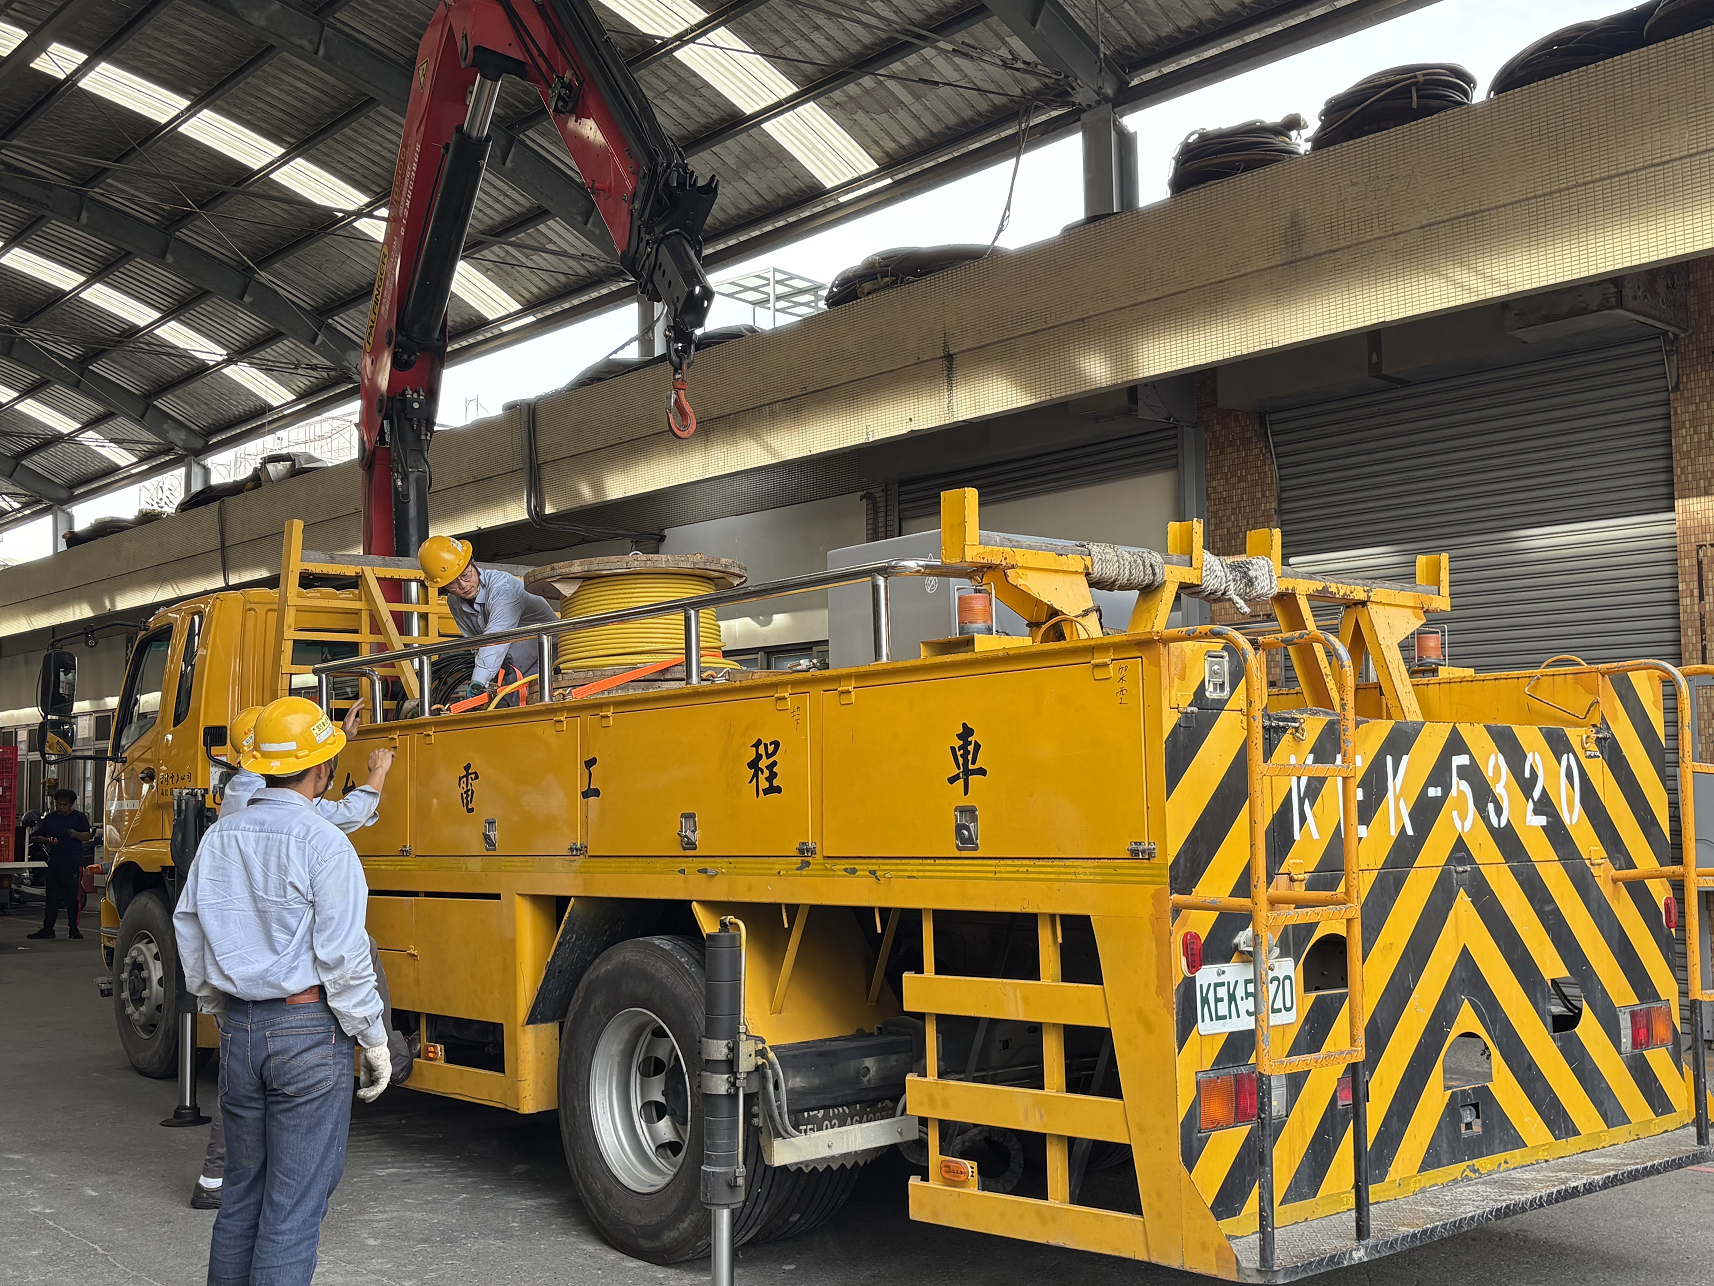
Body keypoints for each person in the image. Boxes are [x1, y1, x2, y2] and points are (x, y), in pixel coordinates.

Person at [174, 696, 392, 1286]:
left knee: (243, 1190)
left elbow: (188, 928)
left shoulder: (220, 839)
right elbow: (344, 957)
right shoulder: (326, 844)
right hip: (307, 1032)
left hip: (241, 1031)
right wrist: (373, 1039)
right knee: (293, 1207)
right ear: (321, 771)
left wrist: (221, 1005)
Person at [418, 535, 555, 705]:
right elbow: (476, 643)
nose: (463, 585)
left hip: (547, 658)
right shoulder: (454, 602)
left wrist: (478, 681)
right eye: (452, 583)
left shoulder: (503, 589)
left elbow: (496, 637)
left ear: (472, 563)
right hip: (510, 664)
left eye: (466, 575)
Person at [26, 789, 92, 940]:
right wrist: (47, 840)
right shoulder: (50, 819)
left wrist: (75, 834)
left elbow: (87, 835)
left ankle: (73, 929)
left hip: (72, 863)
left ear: (71, 805)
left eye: (64, 804)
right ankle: (48, 928)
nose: (60, 807)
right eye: (58, 804)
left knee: (72, 897)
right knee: (51, 897)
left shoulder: (79, 818)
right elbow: (38, 836)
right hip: (54, 862)